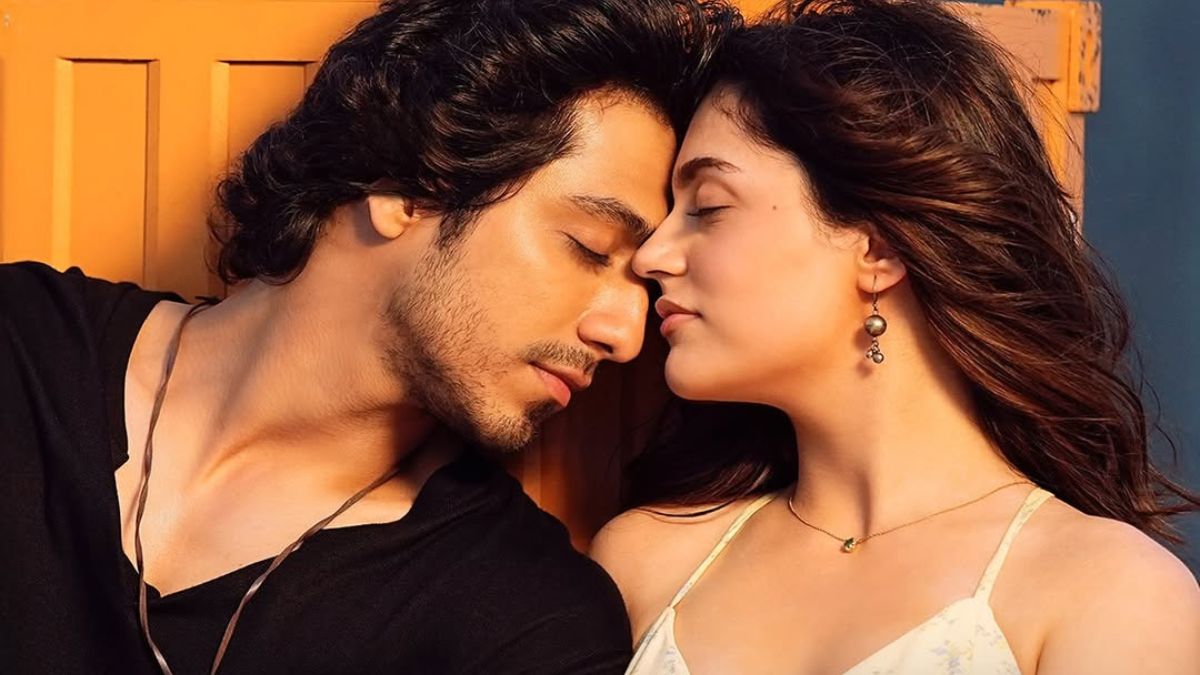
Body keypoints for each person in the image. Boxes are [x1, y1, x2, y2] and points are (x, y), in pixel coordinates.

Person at [0, 0, 738, 672]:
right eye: (588, 245)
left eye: (646, 290)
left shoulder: (524, 620)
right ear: (408, 184)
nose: (625, 336)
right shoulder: (19, 344)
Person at [592, 1, 1200, 673]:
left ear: (878, 248)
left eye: (707, 206)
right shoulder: (648, 564)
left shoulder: (1107, 593)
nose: (651, 256)